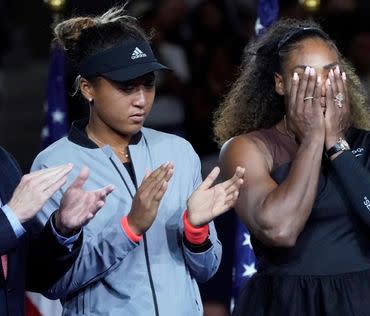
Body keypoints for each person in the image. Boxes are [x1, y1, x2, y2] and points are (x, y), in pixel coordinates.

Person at [31, 6, 244, 316]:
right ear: (88, 88)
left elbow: (206, 270)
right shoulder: (53, 165)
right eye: (126, 87)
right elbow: (54, 285)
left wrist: (196, 231)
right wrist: (129, 228)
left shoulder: (179, 152)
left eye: (148, 84)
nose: (141, 100)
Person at [214, 19, 370, 315]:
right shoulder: (247, 148)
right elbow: (279, 229)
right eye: (305, 75)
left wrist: (336, 144)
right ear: (280, 83)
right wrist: (313, 139)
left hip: (364, 302)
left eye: (329, 73)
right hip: (286, 303)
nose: (320, 86)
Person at [1, 146, 114, 316]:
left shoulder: (4, 161)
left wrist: (62, 228)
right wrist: (12, 217)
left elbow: (34, 275)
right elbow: (12, 221)